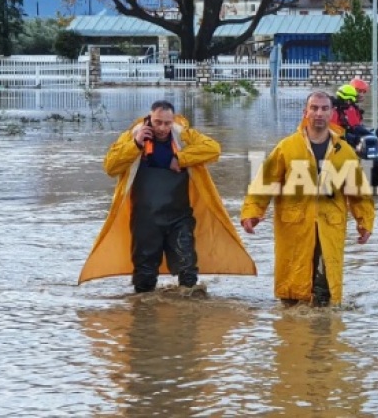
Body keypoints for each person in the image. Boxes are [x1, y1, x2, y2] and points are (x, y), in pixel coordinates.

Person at [79, 100, 256, 293]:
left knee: (188, 272)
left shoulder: (182, 136)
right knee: (144, 278)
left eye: (167, 123)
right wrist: (136, 144)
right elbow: (110, 167)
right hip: (145, 220)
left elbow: (214, 149)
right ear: (150, 118)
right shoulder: (132, 137)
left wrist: (180, 159)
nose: (162, 128)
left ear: (173, 121)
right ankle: (144, 317)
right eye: (157, 123)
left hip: (179, 218)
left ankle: (188, 317)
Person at [241, 91, 375, 307]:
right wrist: (252, 212)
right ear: (305, 112)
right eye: (314, 108)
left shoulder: (345, 152)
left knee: (325, 294)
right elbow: (264, 183)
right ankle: (294, 336)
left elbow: (359, 192)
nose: (319, 113)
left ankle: (322, 338)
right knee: (292, 293)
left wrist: (365, 221)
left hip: (329, 225)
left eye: (324, 109)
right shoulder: (287, 147)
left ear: (332, 113)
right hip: (294, 226)